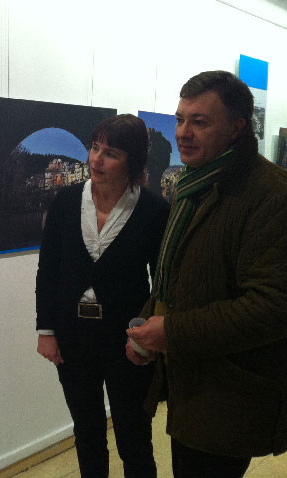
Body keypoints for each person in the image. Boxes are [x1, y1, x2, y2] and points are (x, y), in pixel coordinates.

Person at [126, 70, 287, 478]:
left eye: (200, 122)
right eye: (180, 119)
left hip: (230, 391)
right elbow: (176, 270)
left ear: (236, 127)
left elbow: (273, 306)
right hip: (191, 381)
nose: (182, 132)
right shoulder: (192, 184)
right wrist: (149, 323)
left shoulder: (271, 193)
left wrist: (171, 333)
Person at [36, 114, 170, 478]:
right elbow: (48, 272)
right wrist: (46, 330)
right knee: (88, 432)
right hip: (72, 339)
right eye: (95, 148)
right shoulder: (65, 203)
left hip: (127, 341)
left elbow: (161, 284)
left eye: (110, 153)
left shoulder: (154, 211)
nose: (96, 159)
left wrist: (147, 340)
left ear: (133, 161)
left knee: (134, 437)